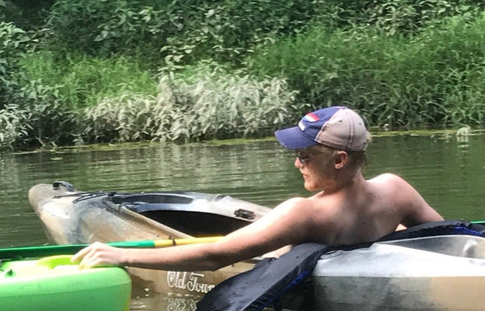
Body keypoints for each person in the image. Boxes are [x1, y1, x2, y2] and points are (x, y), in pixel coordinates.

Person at [73, 106, 442, 272]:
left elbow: (214, 257)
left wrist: (123, 256)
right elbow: (443, 235)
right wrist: (390, 233)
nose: (297, 163)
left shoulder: (304, 212)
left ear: (340, 160)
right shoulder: (395, 191)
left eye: (304, 155)